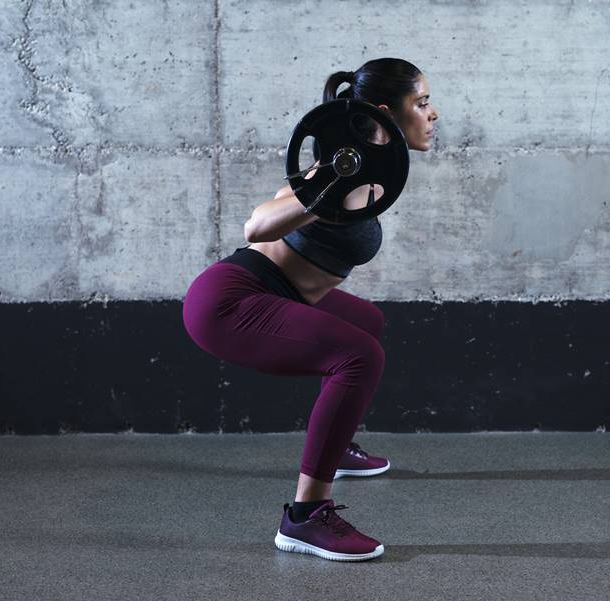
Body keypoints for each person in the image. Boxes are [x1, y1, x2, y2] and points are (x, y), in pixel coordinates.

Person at [182, 58, 439, 562]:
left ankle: (334, 447)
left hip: (278, 293)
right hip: (230, 300)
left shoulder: (372, 167)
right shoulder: (332, 169)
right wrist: (322, 191)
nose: (433, 115)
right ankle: (305, 517)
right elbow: (257, 228)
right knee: (360, 356)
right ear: (388, 112)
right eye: (423, 104)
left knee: (366, 323)